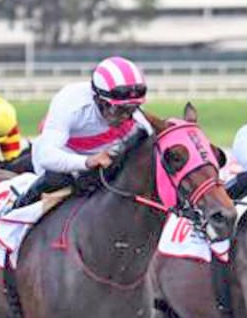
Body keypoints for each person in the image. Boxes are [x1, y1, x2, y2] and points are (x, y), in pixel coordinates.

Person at [11, 56, 151, 210]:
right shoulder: (70, 102)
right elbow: (46, 156)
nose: (125, 116)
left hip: (101, 159)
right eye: (119, 110)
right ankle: (16, 209)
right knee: (59, 179)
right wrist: (87, 161)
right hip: (62, 160)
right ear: (98, 99)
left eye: (131, 109)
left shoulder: (135, 115)